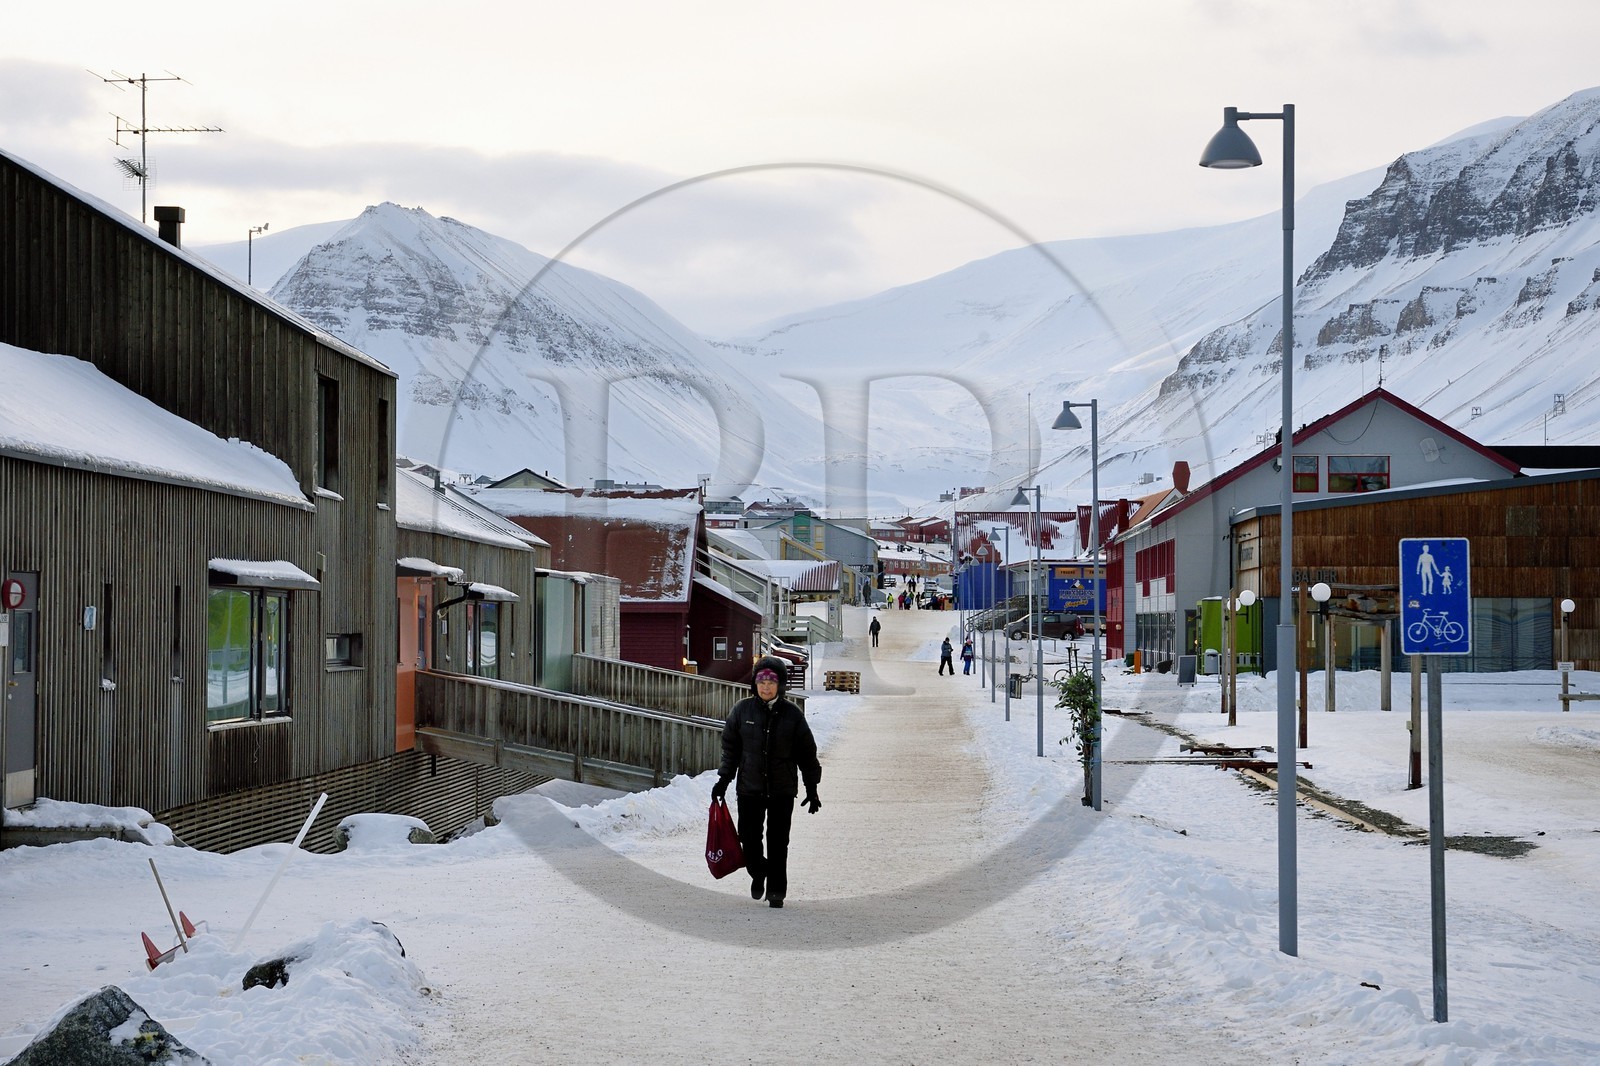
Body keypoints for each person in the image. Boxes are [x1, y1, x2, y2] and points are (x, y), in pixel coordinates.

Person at [711, 657, 822, 909]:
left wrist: (812, 788)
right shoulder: (742, 711)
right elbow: (731, 750)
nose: (766, 686)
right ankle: (759, 871)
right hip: (749, 789)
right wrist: (723, 780)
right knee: (749, 840)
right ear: (754, 683)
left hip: (782, 790)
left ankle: (776, 890)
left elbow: (807, 753)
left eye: (772, 681)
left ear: (780, 685)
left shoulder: (792, 715)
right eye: (761, 680)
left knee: (778, 841)